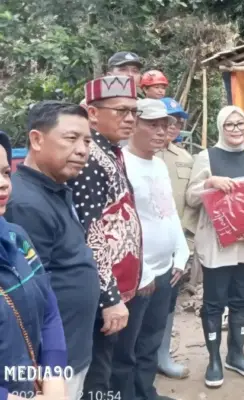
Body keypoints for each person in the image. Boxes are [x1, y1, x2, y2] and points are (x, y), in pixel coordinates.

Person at [5, 101, 100, 400]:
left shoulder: (56, 189)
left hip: (61, 357)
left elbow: (45, 301)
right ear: (36, 140)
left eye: (87, 140)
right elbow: (24, 305)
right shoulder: (24, 205)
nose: (83, 149)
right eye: (71, 138)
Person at [186, 106, 244, 388]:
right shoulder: (206, 157)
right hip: (217, 244)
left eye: (240, 124)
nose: (236, 129)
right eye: (229, 125)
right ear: (220, 128)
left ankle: (236, 354)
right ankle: (213, 359)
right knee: (213, 303)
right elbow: (191, 197)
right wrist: (210, 183)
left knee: (241, 300)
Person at [111, 99, 187, 400]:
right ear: (133, 124)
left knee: (151, 341)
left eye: (164, 126)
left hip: (164, 269)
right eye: (152, 125)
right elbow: (120, 227)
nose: (161, 132)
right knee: (125, 348)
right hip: (137, 276)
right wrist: (140, 272)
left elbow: (167, 212)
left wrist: (180, 251)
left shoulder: (158, 164)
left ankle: (146, 393)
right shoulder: (121, 165)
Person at [72, 76, 143, 399]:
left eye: (133, 112)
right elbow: (91, 232)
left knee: (116, 364)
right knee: (99, 375)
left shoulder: (112, 151)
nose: (129, 119)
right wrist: (109, 296)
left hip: (122, 287)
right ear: (92, 113)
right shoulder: (88, 159)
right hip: (105, 294)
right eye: (120, 111)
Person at [0, 131, 69, 400]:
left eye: (6, 173)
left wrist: (54, 379)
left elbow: (48, 308)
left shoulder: (16, 237)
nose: (3, 184)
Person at [154, 97, 195, 380]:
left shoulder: (185, 158)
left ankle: (162, 355)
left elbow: (191, 205)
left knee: (168, 304)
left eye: (178, 120)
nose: (173, 125)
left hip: (175, 247)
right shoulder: (135, 155)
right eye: (168, 119)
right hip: (143, 248)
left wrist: (185, 243)